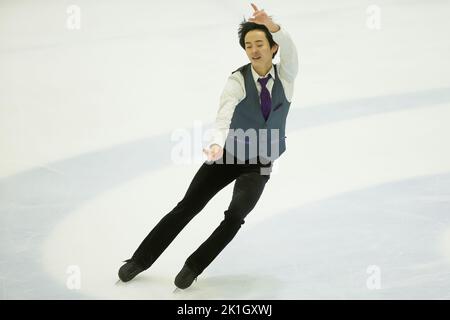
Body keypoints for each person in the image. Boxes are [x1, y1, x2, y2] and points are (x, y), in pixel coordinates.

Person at [118, 3, 298, 289]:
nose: (254, 49)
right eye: (249, 45)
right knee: (188, 206)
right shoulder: (238, 80)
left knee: (235, 216)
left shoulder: (286, 77)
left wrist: (271, 24)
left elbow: (290, 44)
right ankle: (140, 260)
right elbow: (224, 114)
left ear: (272, 47)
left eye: (260, 43)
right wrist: (216, 145)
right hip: (228, 153)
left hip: (261, 161)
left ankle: (193, 266)